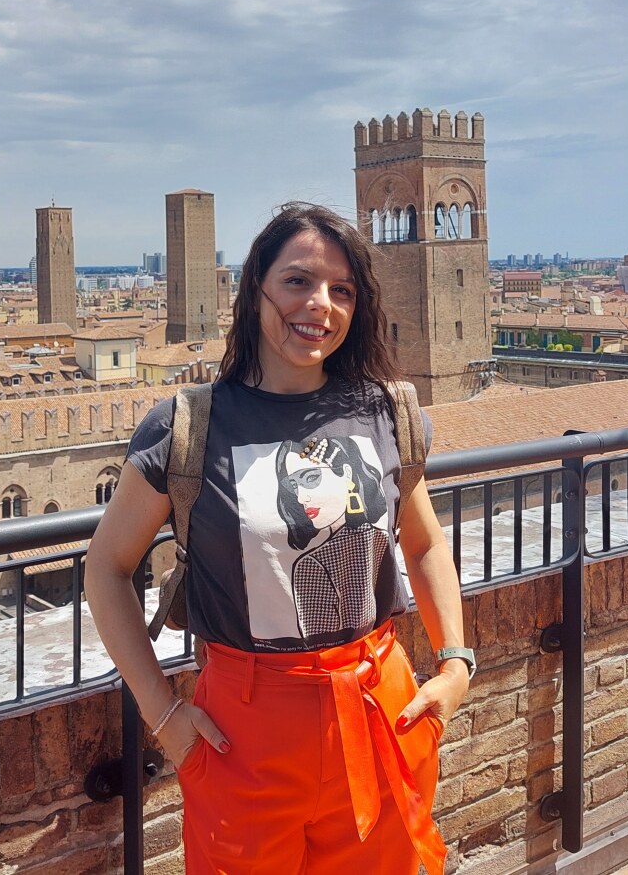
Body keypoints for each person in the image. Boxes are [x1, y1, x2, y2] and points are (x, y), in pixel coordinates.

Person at [88, 202, 471, 874]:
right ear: (256, 287)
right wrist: (166, 719)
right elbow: (106, 568)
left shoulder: (386, 412)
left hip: (378, 711)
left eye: (341, 289)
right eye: (298, 281)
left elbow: (426, 543)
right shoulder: (186, 425)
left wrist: (456, 664)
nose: (319, 304)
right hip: (244, 737)